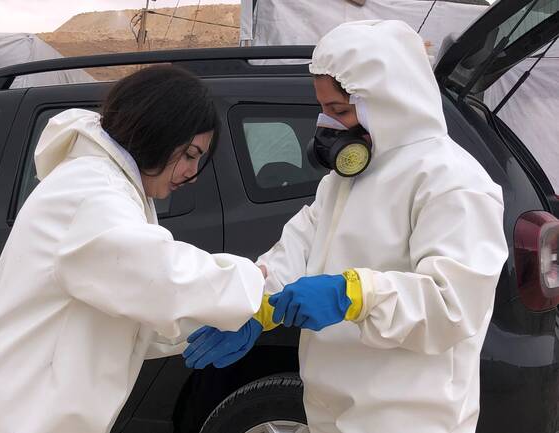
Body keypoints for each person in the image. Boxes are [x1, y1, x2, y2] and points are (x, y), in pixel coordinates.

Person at [183, 20, 509, 433]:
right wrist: (255, 308)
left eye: (339, 110)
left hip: (409, 417)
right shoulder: (343, 181)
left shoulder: (453, 181)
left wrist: (355, 294)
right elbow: (296, 252)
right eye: (323, 109)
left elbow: (453, 307)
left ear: (390, 103)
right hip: (330, 409)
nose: (328, 125)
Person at [0, 65, 266, 433]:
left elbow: (125, 309)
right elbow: (158, 274)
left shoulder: (108, 185)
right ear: (159, 133)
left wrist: (198, 326)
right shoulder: (92, 190)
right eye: (190, 153)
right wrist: (252, 282)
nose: (193, 172)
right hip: (24, 418)